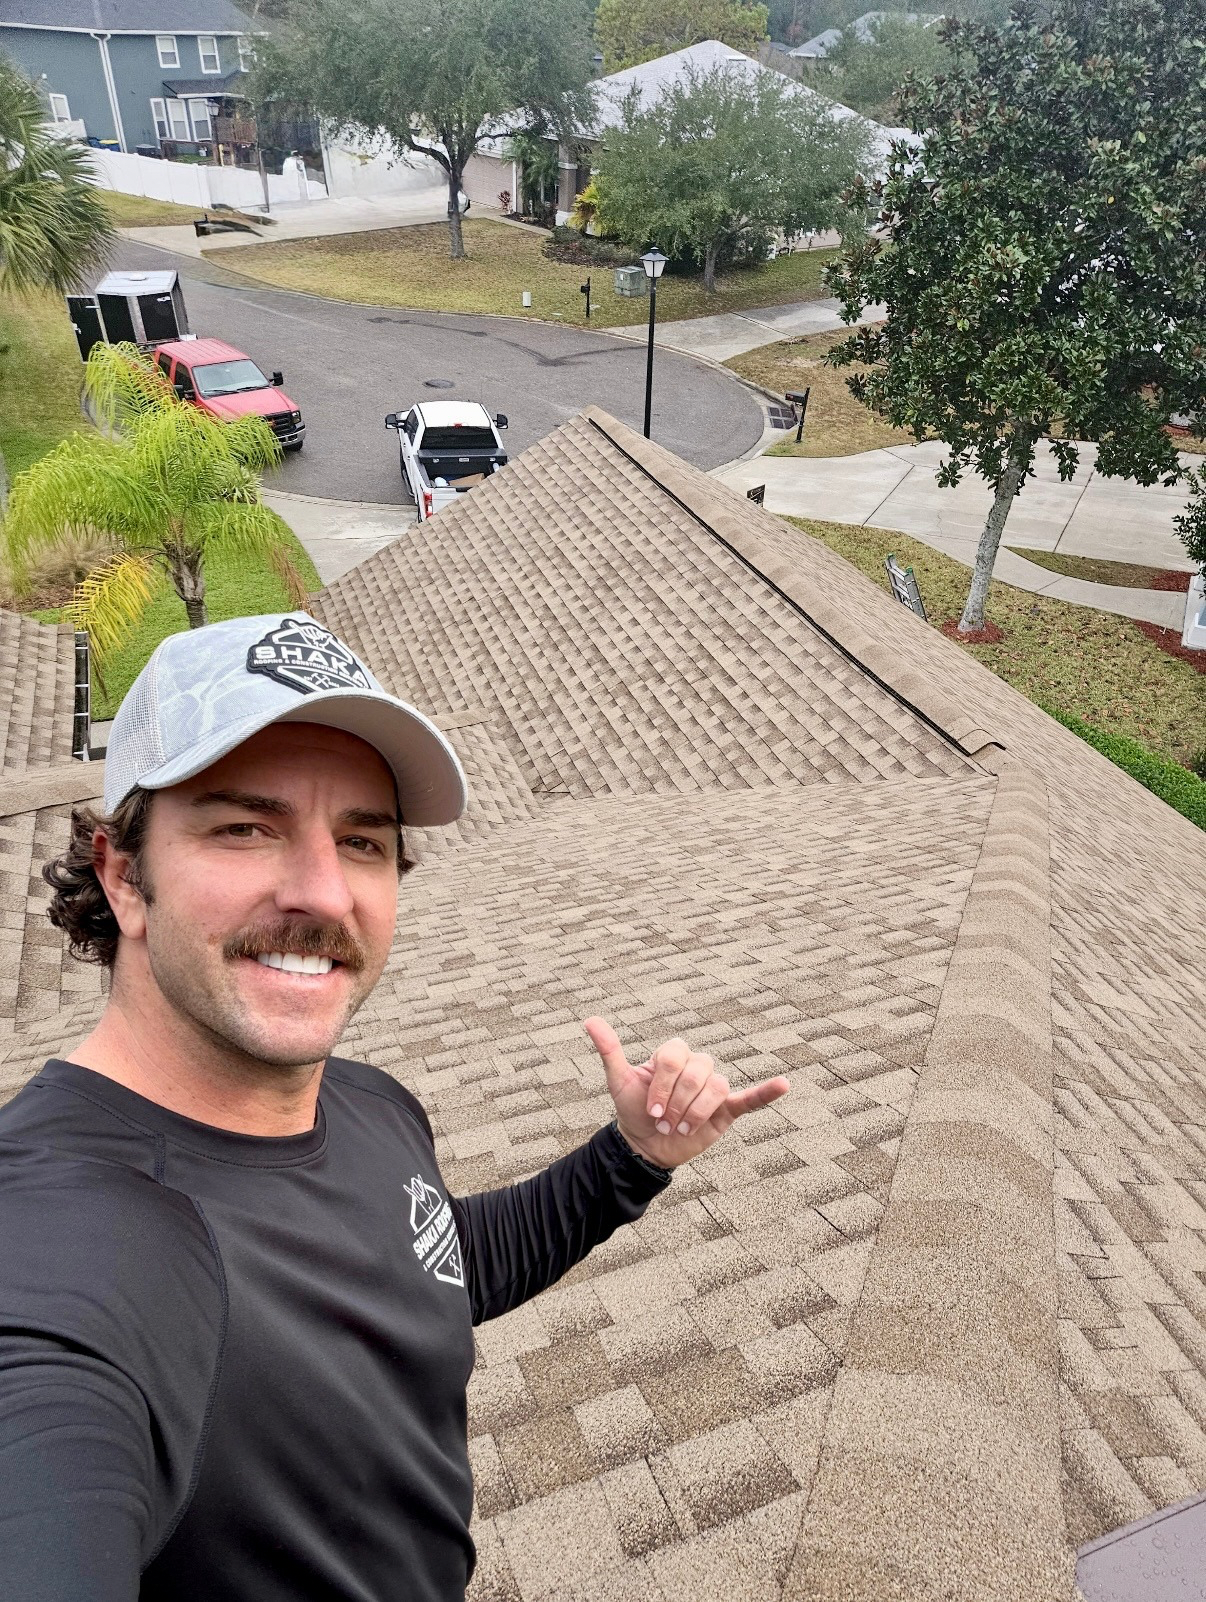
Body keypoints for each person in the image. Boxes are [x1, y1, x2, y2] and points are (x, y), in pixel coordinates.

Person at [0, 612, 789, 1602]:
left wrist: (626, 1160)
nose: (324, 892)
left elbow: (432, 1267)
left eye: (362, 840)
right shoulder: (63, 1245)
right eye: (246, 826)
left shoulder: (373, 1107)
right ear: (125, 875)